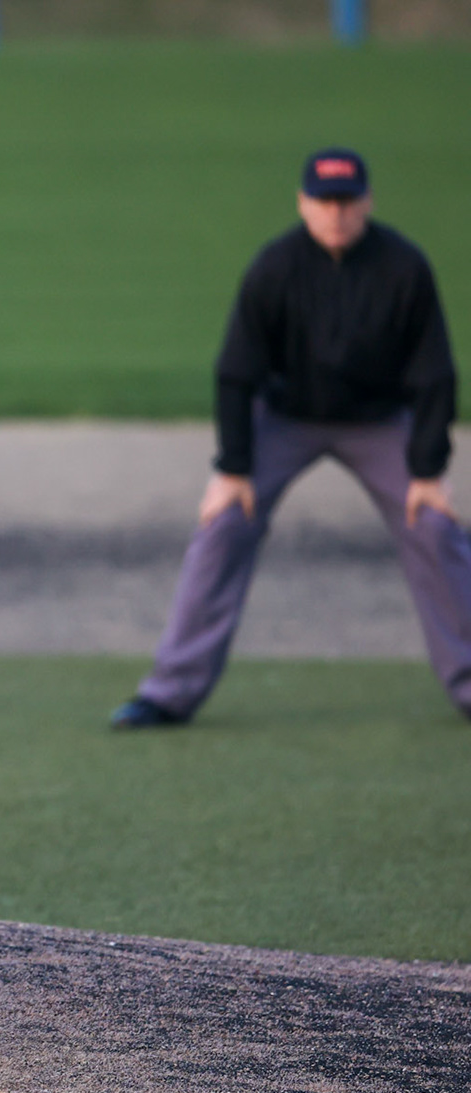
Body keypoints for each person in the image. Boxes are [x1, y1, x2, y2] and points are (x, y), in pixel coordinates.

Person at [112, 148, 471, 728]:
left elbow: (433, 373)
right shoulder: (275, 267)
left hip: (379, 421)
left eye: (347, 201)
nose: (336, 214)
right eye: (324, 202)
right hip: (285, 418)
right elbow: (236, 371)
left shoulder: (404, 268)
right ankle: (169, 691)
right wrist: (232, 469)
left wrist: (428, 470)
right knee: (224, 522)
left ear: (367, 202)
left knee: (433, 525)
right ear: (303, 203)